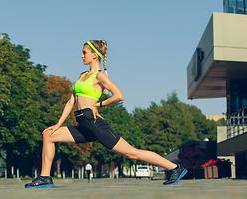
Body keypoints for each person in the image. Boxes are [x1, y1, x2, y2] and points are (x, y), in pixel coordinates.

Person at [24, 40, 187, 189]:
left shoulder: (99, 76)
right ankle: (45, 177)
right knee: (49, 135)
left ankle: (175, 168)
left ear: (94, 55)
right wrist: (58, 125)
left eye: (84, 52)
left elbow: (119, 96)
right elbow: (70, 102)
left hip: (96, 125)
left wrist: (98, 104)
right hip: (83, 125)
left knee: (131, 153)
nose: (82, 56)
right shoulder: (82, 76)